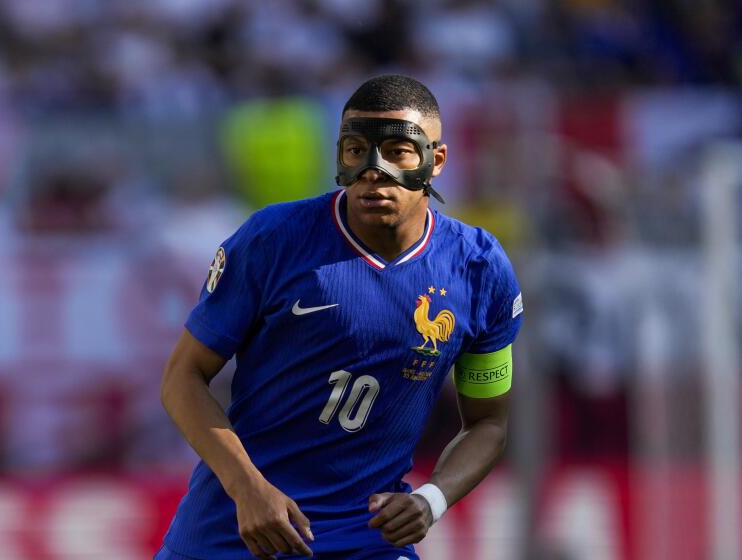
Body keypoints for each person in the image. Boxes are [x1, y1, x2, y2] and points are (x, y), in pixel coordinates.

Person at [156, 74, 523, 560]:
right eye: (356, 150)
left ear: (436, 162)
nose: (374, 169)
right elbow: (182, 377)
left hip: (367, 538)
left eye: (397, 151)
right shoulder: (275, 239)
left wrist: (432, 499)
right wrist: (246, 487)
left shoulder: (479, 268)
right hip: (238, 529)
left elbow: (488, 423)